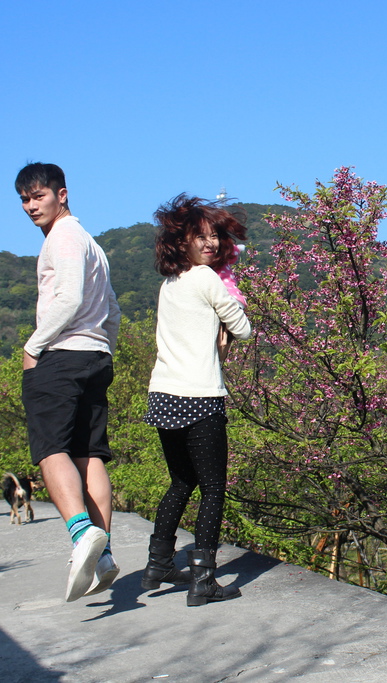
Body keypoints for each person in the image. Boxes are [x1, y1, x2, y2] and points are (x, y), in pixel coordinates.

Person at [15, 162, 122, 603]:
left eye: (38, 196)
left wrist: (33, 346)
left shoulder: (62, 238)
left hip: (61, 357)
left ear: (62, 194)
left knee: (49, 449)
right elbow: (112, 308)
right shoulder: (93, 244)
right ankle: (103, 552)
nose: (30, 206)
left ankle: (81, 535)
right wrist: (106, 348)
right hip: (96, 357)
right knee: (88, 453)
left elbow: (70, 296)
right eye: (24, 199)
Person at [141, 193, 251, 607]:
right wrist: (230, 319)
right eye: (200, 236)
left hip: (164, 394)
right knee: (213, 489)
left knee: (181, 482)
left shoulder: (170, 282)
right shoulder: (206, 278)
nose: (209, 244)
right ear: (181, 240)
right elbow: (243, 329)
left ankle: (159, 562)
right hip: (200, 395)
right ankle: (203, 581)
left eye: (214, 237)